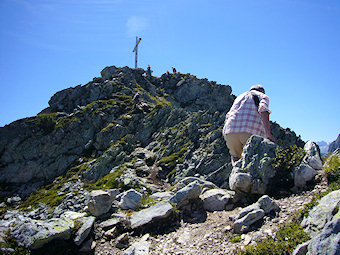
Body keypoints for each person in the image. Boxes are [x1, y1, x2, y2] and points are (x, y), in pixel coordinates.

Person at [222, 84, 278, 166]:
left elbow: (228, 116)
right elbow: (263, 110)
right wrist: (268, 134)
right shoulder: (263, 96)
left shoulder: (239, 97)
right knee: (253, 160)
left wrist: (225, 135)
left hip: (230, 131)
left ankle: (236, 175)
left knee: (236, 158)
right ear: (262, 91)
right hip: (250, 133)